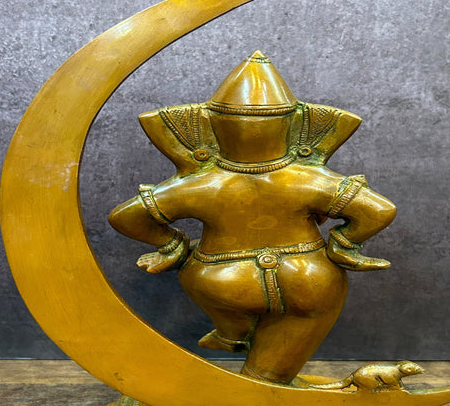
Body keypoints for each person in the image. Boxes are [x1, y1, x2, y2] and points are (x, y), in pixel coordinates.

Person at [109, 51, 396, 385]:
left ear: (213, 124)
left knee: (197, 270)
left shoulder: (202, 183)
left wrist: (173, 245)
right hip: (309, 279)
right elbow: (379, 211)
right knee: (270, 375)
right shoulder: (310, 179)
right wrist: (343, 243)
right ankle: (265, 387)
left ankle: (234, 335)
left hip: (220, 280)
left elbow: (125, 217)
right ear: (292, 124)